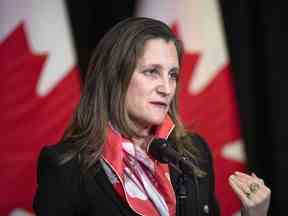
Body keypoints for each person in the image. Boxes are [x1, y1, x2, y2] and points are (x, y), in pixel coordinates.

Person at [33, 17, 270, 216]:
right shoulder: (65, 167)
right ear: (115, 78)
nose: (167, 88)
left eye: (173, 75)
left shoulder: (194, 153)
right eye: (151, 72)